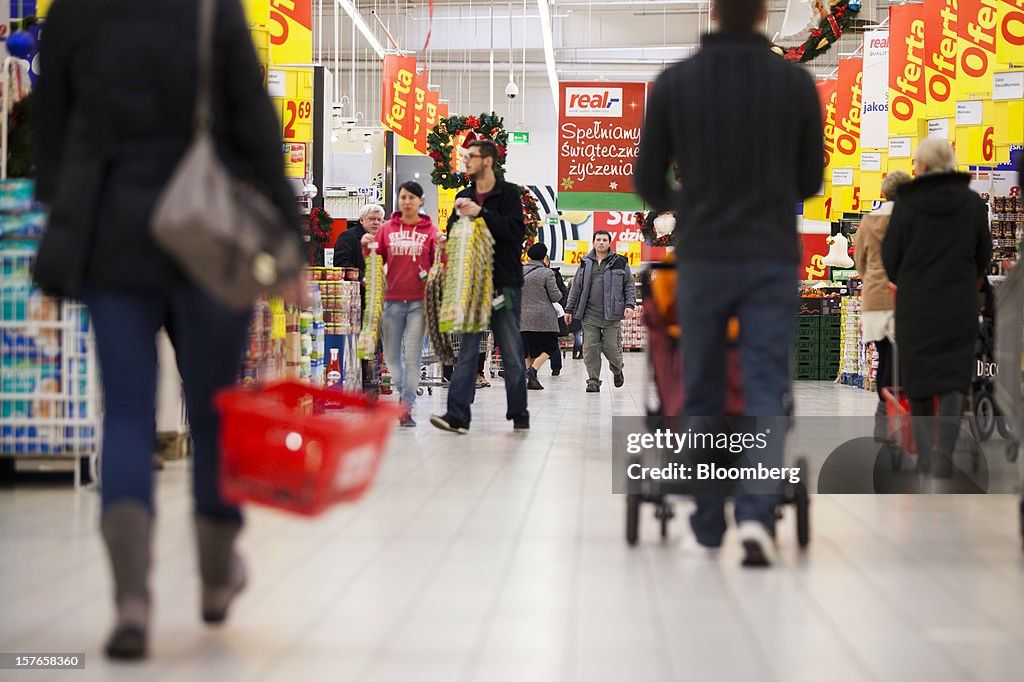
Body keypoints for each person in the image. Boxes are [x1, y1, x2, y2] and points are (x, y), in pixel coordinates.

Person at [31, 0, 307, 659]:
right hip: (208, 237)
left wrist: (68, 216)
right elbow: (258, 131)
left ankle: (131, 601)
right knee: (213, 409)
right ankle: (216, 578)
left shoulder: (74, 13)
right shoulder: (211, 12)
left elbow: (51, 133)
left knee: (125, 413)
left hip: (112, 239)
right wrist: (289, 246)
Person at [634, 0, 824, 566]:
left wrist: (690, 207)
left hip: (704, 257)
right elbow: (811, 177)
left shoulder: (675, 83)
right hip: (769, 253)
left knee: (703, 387)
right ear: (765, 14)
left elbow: (647, 179)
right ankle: (757, 519)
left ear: (713, 13)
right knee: (765, 385)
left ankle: (709, 523)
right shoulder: (794, 83)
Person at [882, 138, 991, 477]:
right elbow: (983, 256)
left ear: (923, 166)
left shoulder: (906, 205)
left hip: (917, 306)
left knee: (920, 380)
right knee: (954, 379)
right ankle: (944, 456)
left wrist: (912, 281)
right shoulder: (973, 205)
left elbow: (891, 258)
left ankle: (925, 460)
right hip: (958, 305)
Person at [430, 139, 529, 433]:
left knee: (510, 351)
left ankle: (519, 413)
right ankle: (457, 415)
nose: (465, 161)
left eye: (471, 157)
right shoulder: (463, 194)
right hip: (470, 286)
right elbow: (452, 232)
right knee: (467, 352)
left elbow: (515, 232)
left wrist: (481, 212)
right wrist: (447, 237)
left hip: (503, 285)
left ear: (487, 161)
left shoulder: (508, 193)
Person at [362, 181, 442, 427]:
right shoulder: (387, 229)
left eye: (411, 197)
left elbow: (440, 264)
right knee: (393, 358)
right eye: (403, 197)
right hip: (392, 301)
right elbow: (376, 258)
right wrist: (367, 247)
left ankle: (405, 406)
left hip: (419, 303)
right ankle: (404, 393)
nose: (407, 201)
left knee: (413, 356)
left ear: (420, 201)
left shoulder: (430, 231)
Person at [854, 171, 912, 443]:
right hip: (907, 296)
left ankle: (882, 417)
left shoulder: (869, 220)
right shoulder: (913, 218)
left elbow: (860, 262)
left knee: (884, 356)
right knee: (906, 359)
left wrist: (871, 279)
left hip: (876, 296)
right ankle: (902, 416)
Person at [564, 231, 636, 393]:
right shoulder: (585, 262)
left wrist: (629, 305)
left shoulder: (620, 261)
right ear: (593, 242)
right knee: (590, 349)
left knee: (612, 347)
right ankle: (593, 381)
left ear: (610, 243)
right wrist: (569, 309)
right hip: (589, 314)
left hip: (613, 314)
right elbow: (576, 287)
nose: (601, 242)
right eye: (598, 240)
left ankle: (617, 369)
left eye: (605, 240)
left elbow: (629, 286)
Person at [520, 242, 563, 390]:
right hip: (543, 317)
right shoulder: (547, 273)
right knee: (550, 346)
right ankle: (532, 370)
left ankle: (531, 379)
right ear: (544, 257)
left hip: (522, 316)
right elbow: (555, 296)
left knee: (528, 348)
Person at [334, 203, 385, 279]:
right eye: (371, 219)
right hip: (357, 287)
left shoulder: (385, 238)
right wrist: (363, 278)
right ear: (361, 220)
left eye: (379, 220)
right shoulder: (347, 236)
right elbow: (342, 263)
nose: (376, 223)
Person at [550, 264, 571, 376]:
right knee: (552, 341)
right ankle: (555, 367)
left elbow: (559, 294)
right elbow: (562, 293)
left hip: (551, 313)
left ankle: (533, 368)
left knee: (550, 341)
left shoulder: (553, 274)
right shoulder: (553, 274)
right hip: (552, 313)